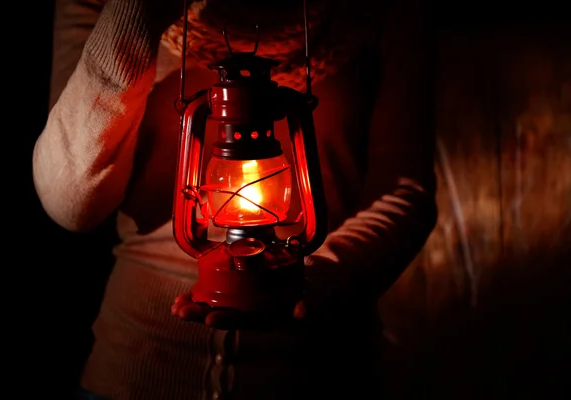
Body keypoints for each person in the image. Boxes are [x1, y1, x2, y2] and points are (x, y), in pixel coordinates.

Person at [33, 0, 438, 398]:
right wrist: (136, 12)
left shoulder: (379, 9)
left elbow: (404, 190)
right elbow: (72, 206)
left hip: (317, 369)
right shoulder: (97, 3)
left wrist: (327, 274)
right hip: (133, 369)